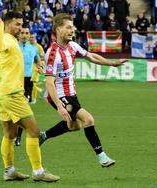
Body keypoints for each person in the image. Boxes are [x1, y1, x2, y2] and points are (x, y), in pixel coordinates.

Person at [39, 13, 127, 167]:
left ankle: (43, 135)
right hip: (59, 96)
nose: (72, 30)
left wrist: (112, 63)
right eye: (68, 27)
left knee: (75, 126)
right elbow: (49, 83)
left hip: (71, 94)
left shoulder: (72, 46)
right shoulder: (52, 54)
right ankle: (102, 157)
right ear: (58, 30)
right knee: (88, 120)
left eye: (72, 27)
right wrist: (59, 105)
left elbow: (91, 56)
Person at [0, 10, 60, 182]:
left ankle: (9, 170)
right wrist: (0, 24)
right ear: (9, 23)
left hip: (1, 93)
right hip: (11, 94)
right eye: (17, 24)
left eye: (22, 24)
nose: (21, 27)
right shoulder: (5, 39)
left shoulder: (6, 38)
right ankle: (38, 172)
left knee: (10, 134)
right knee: (33, 131)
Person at [15, 25, 41, 146]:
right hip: (14, 80)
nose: (24, 35)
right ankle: (14, 135)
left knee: (23, 110)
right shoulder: (14, 47)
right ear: (18, 35)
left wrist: (39, 66)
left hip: (27, 82)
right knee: (15, 110)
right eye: (22, 33)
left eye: (27, 33)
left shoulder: (33, 48)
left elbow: (37, 59)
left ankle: (18, 136)